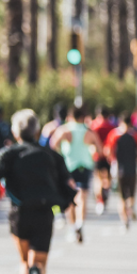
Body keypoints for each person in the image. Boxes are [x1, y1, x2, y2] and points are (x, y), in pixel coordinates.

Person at [0, 110, 75, 274]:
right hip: (45, 212)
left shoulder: (7, 153)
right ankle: (37, 273)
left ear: (15, 131)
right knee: (39, 261)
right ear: (37, 130)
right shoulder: (51, 155)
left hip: (20, 212)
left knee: (23, 261)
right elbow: (70, 185)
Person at [50, 104, 99, 243]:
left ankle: (72, 227)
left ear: (71, 116)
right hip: (85, 165)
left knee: (69, 198)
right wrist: (91, 150)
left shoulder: (65, 130)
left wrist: (61, 154)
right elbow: (99, 149)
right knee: (82, 197)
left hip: (69, 166)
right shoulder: (89, 132)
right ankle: (80, 224)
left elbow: (53, 145)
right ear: (83, 117)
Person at [105, 113, 137, 230]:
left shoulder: (114, 135)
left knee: (121, 198)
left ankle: (124, 220)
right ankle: (130, 210)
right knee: (131, 196)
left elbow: (108, 151)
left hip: (119, 170)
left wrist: (113, 160)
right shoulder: (135, 135)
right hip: (132, 169)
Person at [89, 106, 116, 214]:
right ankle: (105, 195)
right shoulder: (112, 126)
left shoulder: (93, 126)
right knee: (107, 178)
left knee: (97, 178)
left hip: (97, 155)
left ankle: (99, 200)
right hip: (108, 156)